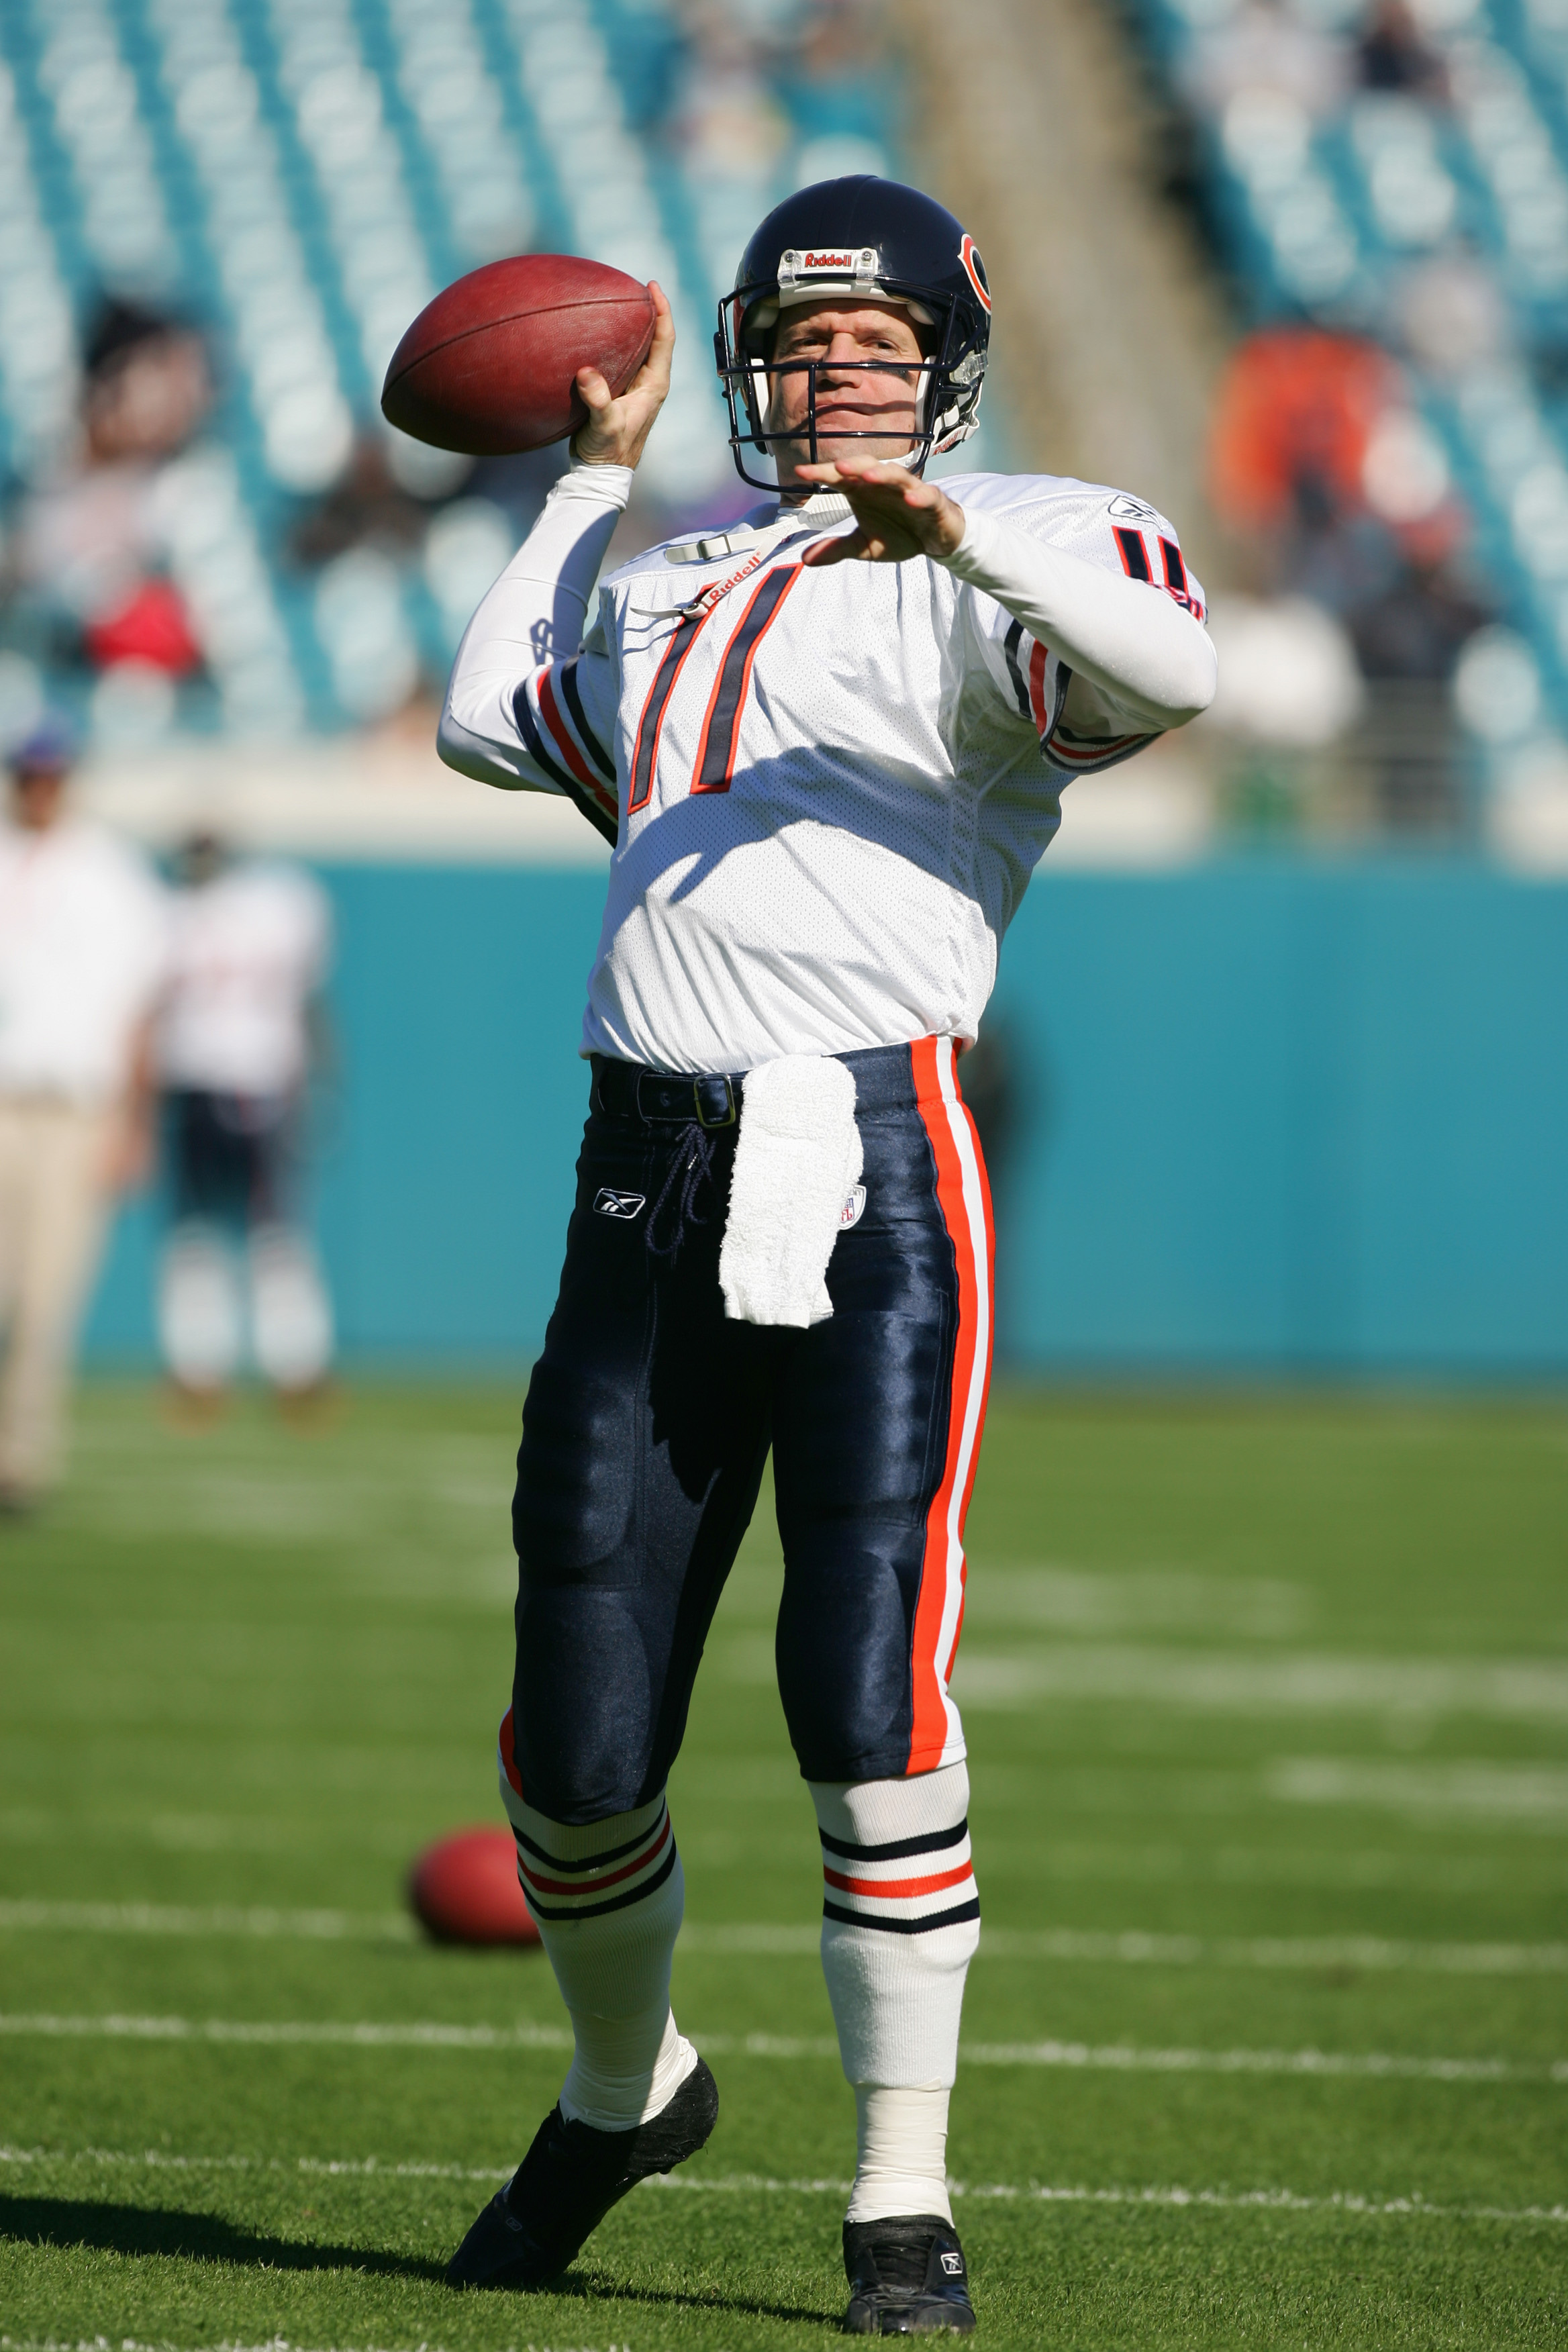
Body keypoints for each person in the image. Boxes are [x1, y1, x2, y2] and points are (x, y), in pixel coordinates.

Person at [437, 176, 1216, 2332]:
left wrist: (954, 536)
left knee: (859, 1681)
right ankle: (623, 2088)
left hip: (872, 1152)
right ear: (751, 371)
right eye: (800, 351)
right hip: (640, 1170)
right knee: (577, 1731)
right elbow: (490, 716)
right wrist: (583, 487)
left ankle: (898, 2192)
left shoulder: (1029, 547)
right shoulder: (680, 568)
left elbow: (1180, 669)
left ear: (945, 374)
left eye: (873, 352)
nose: (833, 382)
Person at [0, 720, 168, 1512]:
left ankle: (21, 1461)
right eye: (28, 773)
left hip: (73, 1106)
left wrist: (133, 1121)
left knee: (46, 1296)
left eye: (50, 773)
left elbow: (143, 1006)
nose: (39, 787)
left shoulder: (110, 873)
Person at [154, 833, 334, 1408]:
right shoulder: (168, 914)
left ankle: (296, 1365)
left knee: (273, 1231)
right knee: (196, 1234)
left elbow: (308, 1002)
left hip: (259, 1084)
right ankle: (198, 1369)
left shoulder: (274, 904)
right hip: (192, 1081)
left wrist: (316, 1083)